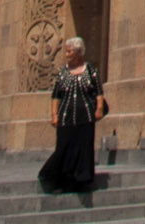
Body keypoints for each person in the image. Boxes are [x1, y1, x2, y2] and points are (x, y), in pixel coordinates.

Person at [38, 36, 107, 194]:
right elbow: (56, 95)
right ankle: (56, 178)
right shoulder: (63, 73)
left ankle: (81, 180)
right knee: (64, 146)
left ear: (78, 53)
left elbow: (98, 91)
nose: (67, 54)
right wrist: (54, 114)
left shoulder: (90, 71)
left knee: (83, 147)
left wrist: (99, 108)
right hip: (66, 116)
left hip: (86, 116)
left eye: (69, 51)